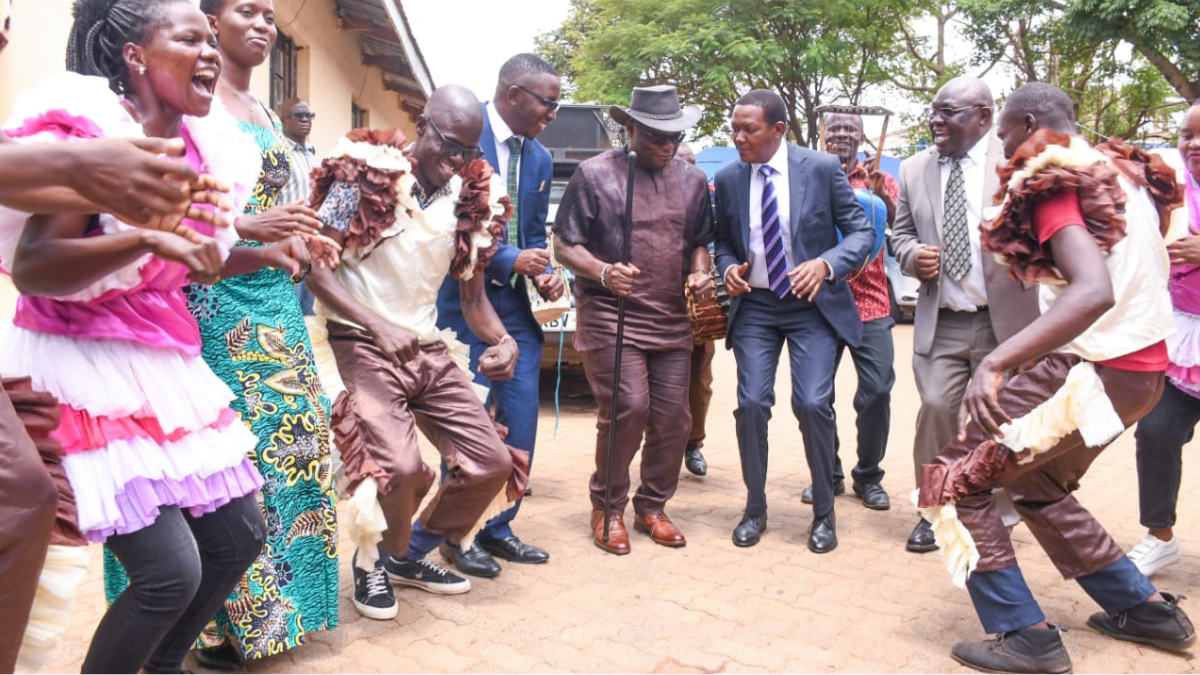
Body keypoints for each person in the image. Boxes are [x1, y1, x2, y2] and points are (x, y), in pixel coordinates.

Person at [0, 0, 321, 669]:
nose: (210, 53)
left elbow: (191, 256)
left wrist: (266, 252)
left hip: (158, 361)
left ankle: (163, 664)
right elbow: (33, 269)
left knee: (239, 538)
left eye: (211, 40)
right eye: (189, 39)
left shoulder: (213, 148)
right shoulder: (100, 136)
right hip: (76, 358)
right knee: (169, 573)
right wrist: (144, 235)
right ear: (135, 56)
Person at [917, 81, 1194, 674]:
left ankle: (1026, 638)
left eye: (1005, 135)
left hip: (1090, 370)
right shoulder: (1116, 168)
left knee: (954, 480)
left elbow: (1094, 290)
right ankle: (1143, 610)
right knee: (1034, 483)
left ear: (1026, 123)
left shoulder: (1053, 180)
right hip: (1140, 374)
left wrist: (995, 360)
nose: (1004, 149)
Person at [107, 0, 341, 667]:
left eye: (272, 14)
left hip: (274, 297)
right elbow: (184, 222)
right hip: (214, 305)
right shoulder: (191, 107)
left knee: (298, 445)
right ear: (211, 22)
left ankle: (275, 619)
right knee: (237, 471)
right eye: (247, 10)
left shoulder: (267, 112)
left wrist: (294, 240)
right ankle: (219, 630)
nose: (264, 24)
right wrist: (251, 233)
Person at [306, 86, 524, 620]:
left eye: (470, 151)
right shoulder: (362, 172)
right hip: (359, 341)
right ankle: (369, 561)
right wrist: (376, 323)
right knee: (399, 468)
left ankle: (406, 552)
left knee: (491, 463)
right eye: (450, 145)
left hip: (426, 348)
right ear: (422, 123)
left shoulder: (472, 197)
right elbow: (317, 267)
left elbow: (473, 300)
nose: (458, 161)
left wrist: (503, 340)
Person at [554, 85, 714, 555]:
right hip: (611, 312)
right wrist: (602, 271)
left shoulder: (691, 180)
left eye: (673, 137)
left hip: (670, 315)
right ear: (630, 129)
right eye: (655, 136)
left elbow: (702, 239)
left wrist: (700, 271)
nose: (665, 145)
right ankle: (606, 506)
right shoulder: (594, 174)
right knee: (628, 406)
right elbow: (564, 244)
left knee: (674, 418)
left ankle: (652, 506)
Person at [713, 89, 874, 553]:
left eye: (749, 129)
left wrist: (825, 264)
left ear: (778, 130)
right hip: (757, 307)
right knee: (752, 403)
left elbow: (860, 231)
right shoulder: (728, 178)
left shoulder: (820, 169)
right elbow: (724, 241)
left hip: (812, 306)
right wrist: (727, 269)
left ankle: (825, 511)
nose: (738, 137)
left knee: (812, 403)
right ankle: (755, 508)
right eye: (735, 128)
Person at [891, 76, 1039, 553]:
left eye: (948, 111)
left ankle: (995, 511)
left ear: (983, 116)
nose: (936, 119)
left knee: (1000, 418)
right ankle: (933, 507)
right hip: (944, 320)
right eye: (933, 110)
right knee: (936, 407)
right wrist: (914, 257)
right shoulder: (914, 170)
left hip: (1005, 323)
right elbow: (899, 236)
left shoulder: (1018, 165)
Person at [434, 53, 562, 578]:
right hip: (459, 302)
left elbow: (532, 235)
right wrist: (510, 258)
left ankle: (499, 525)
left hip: (516, 311)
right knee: (470, 420)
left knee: (520, 415)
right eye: (548, 103)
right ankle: (453, 533)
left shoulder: (541, 160)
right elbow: (442, 225)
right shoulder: (462, 134)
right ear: (513, 95)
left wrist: (543, 270)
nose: (552, 114)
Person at [798, 112, 897, 511]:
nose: (841, 135)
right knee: (813, 397)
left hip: (871, 301)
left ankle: (868, 475)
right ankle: (829, 472)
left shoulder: (881, 179)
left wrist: (882, 197)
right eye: (835, 129)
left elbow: (895, 222)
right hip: (821, 301)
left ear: (862, 138)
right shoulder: (809, 178)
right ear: (823, 134)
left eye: (849, 130)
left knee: (877, 389)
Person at [1128, 99, 1200, 576]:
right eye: (1185, 135)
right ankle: (1160, 536)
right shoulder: (1170, 190)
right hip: (1182, 337)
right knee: (1155, 432)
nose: (1192, 145)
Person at [676, 141, 714, 478]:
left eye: (694, 163)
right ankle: (660, 443)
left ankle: (693, 444)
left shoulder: (704, 195)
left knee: (699, 380)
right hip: (658, 300)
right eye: (683, 162)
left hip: (699, 301)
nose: (690, 169)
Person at [279, 97, 322, 315]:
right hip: (290, 249)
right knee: (290, 309)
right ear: (283, 119)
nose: (305, 119)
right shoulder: (279, 155)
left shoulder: (315, 158)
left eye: (309, 115)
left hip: (313, 250)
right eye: (298, 115)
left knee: (310, 311)